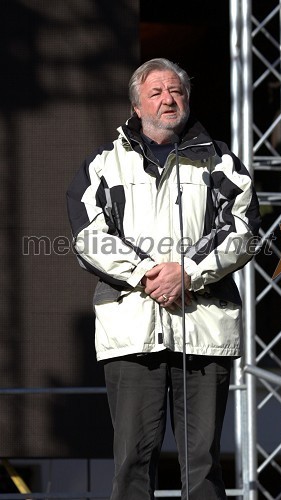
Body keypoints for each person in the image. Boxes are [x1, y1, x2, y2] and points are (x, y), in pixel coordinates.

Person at [66, 58, 261, 500]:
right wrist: (148, 276)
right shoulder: (103, 165)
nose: (168, 99)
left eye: (176, 92)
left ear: (187, 101)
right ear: (136, 105)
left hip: (204, 330)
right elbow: (87, 237)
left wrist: (187, 274)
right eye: (156, 92)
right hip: (132, 334)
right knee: (132, 460)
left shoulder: (222, 161)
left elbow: (245, 232)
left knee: (204, 463)